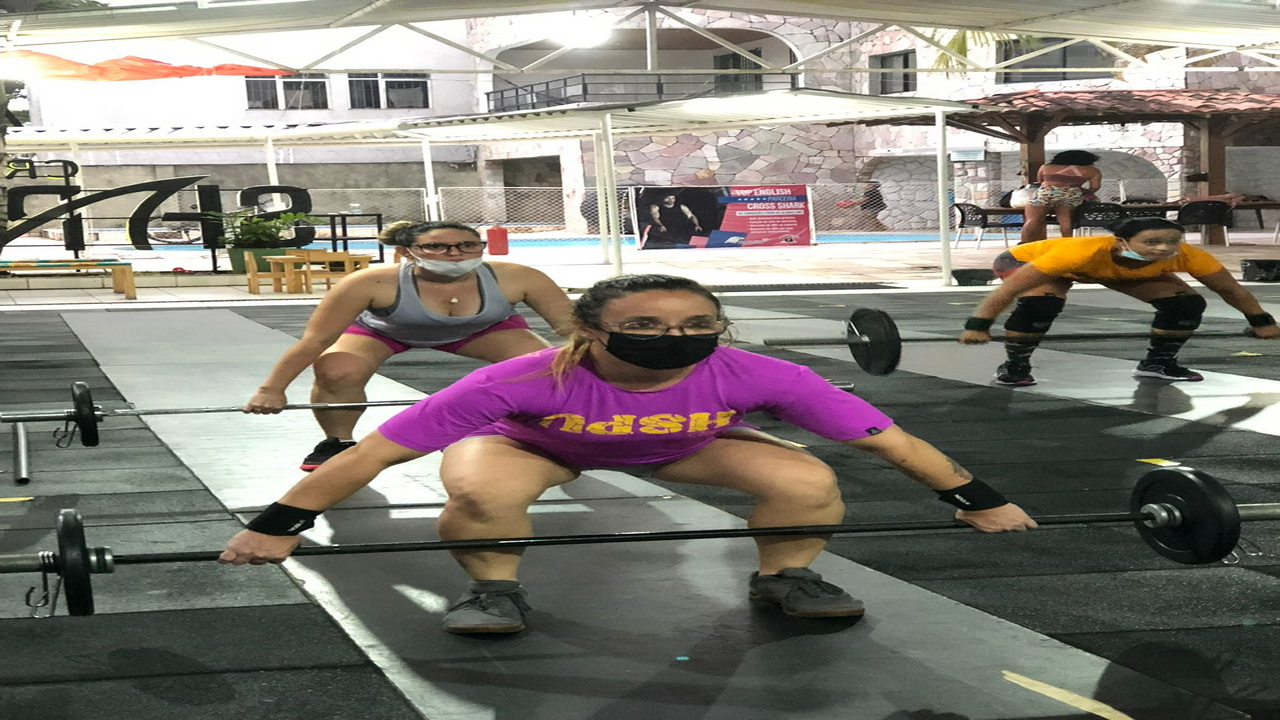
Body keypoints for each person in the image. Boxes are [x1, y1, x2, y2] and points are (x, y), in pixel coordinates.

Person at [221, 274, 1038, 634]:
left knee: (806, 478)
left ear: (719, 327)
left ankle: (786, 578)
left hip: (684, 444)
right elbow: (370, 456)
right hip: (532, 445)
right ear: (589, 330)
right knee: (477, 493)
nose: (673, 338)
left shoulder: (764, 374)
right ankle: (494, 593)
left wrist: (978, 499)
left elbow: (892, 442)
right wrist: (277, 524)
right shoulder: (517, 378)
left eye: (695, 325)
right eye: (643, 326)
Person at [242, 220, 574, 471]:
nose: (454, 253)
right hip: (384, 331)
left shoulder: (519, 276)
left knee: (545, 367)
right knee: (338, 369)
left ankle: (543, 435)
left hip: (483, 330)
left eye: (467, 245)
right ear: (406, 252)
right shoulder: (369, 282)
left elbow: (573, 329)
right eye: (436, 247)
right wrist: (272, 389)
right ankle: (337, 442)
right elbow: (317, 339)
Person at [963, 217, 1280, 387]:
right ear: (1122, 242)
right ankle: (1015, 367)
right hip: (1024, 262)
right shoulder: (1077, 252)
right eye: (1152, 242)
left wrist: (1261, 321)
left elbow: (1231, 290)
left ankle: (1157, 364)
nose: (1163, 249)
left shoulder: (1189, 255)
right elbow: (1008, 291)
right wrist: (979, 325)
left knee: (1185, 304)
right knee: (1041, 305)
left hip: (1112, 270)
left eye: (1171, 241)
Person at [1020, 151, 1103, 242]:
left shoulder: (1045, 167)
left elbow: (1040, 181)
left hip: (1047, 193)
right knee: (1065, 221)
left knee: (1032, 220)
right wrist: (1084, 190)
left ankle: (1024, 243)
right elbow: (1095, 187)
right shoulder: (1092, 170)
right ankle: (1067, 243)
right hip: (1071, 194)